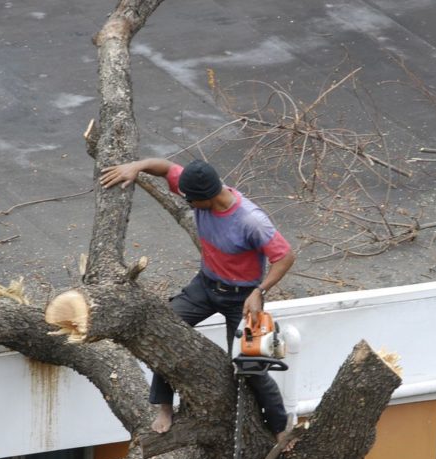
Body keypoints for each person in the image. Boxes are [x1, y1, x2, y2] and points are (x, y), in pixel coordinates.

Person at [99, 157, 296, 435]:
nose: (188, 203)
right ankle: (165, 406)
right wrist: (137, 167)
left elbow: (285, 257)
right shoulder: (197, 186)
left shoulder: (251, 221)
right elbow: (165, 167)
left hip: (245, 298)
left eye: (191, 201)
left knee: (254, 366)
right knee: (163, 329)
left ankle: (279, 428)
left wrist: (259, 291)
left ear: (208, 196)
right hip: (205, 286)